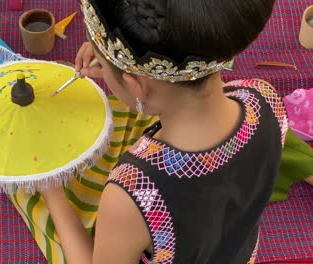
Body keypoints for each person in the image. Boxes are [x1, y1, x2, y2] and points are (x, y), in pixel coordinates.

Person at [37, 0, 289, 263]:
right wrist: (119, 70)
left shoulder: (135, 191)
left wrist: (52, 191)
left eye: (101, 61)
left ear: (136, 86)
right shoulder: (263, 98)